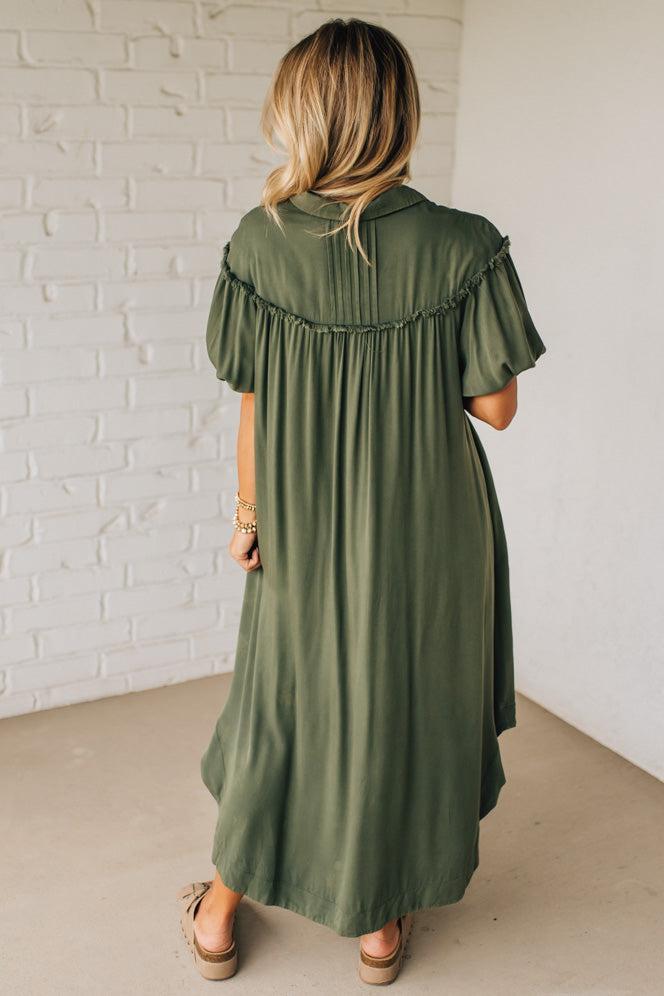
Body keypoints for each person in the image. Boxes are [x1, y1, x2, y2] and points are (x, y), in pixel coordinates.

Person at [178, 17, 545, 985]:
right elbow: (495, 408)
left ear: (299, 113)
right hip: (431, 523)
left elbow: (252, 408)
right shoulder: (463, 244)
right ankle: (380, 928)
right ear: (401, 115)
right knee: (407, 699)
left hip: (302, 517)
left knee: (281, 706)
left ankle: (219, 917)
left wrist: (249, 519)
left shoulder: (259, 243)